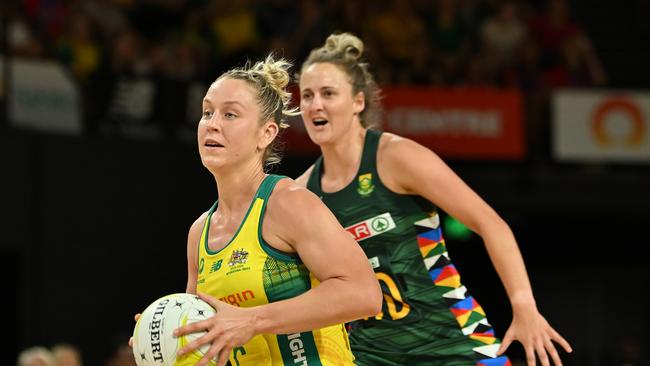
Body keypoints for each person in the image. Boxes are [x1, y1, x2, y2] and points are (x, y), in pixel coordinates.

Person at [295, 32, 573, 366]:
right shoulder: (304, 193)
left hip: (449, 338)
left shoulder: (395, 157)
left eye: (328, 93)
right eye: (307, 95)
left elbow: (491, 224)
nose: (315, 105)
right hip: (368, 355)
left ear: (358, 101)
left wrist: (524, 306)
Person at [171, 54, 382, 366]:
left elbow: (364, 294)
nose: (212, 124)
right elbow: (200, 334)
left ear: (266, 134)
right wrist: (162, 337)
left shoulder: (288, 203)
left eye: (230, 115)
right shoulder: (199, 232)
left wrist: (253, 320)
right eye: (207, 112)